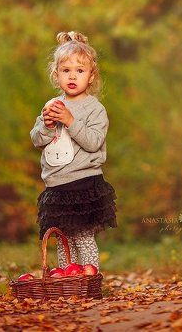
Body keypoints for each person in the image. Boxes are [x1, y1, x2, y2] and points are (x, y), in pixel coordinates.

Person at [29, 31, 118, 271]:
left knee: (83, 237)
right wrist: (47, 126)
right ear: (56, 75)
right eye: (66, 70)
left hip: (83, 184)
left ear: (91, 77)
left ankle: (89, 278)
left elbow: (93, 142)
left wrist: (70, 121)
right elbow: (37, 139)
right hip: (57, 185)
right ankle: (68, 281)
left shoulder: (94, 109)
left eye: (80, 71)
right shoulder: (52, 105)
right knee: (63, 240)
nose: (72, 76)